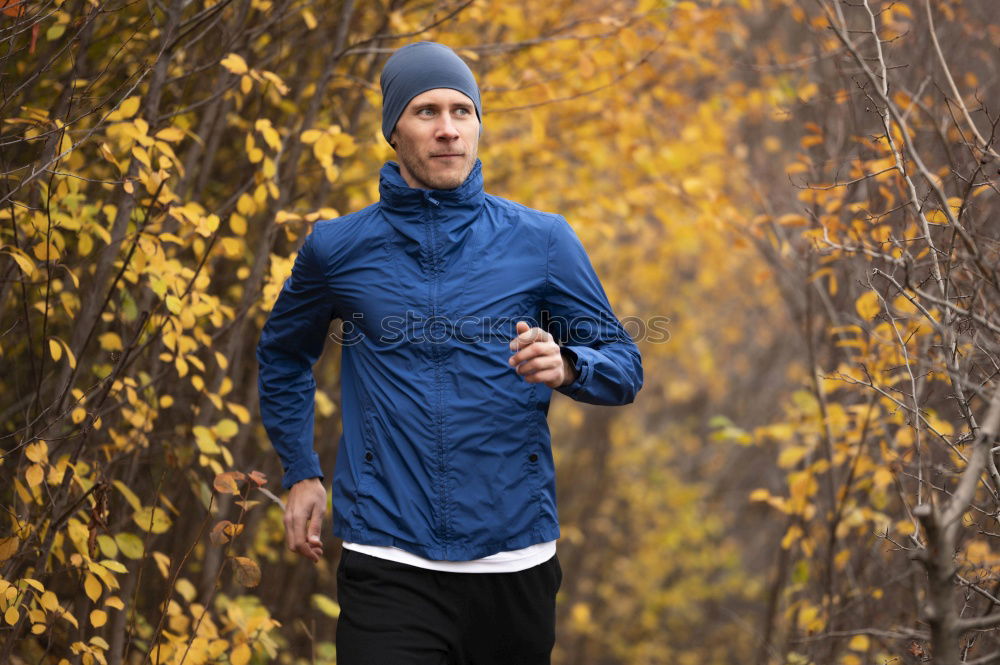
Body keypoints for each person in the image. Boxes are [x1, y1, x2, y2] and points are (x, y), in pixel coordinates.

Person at [256, 41, 643, 665]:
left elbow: (624, 362)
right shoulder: (336, 248)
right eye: (426, 112)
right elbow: (283, 355)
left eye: (462, 112)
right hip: (387, 557)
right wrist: (301, 470)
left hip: (514, 560)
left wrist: (571, 366)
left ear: (479, 126)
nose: (447, 130)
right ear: (393, 130)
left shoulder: (542, 240)